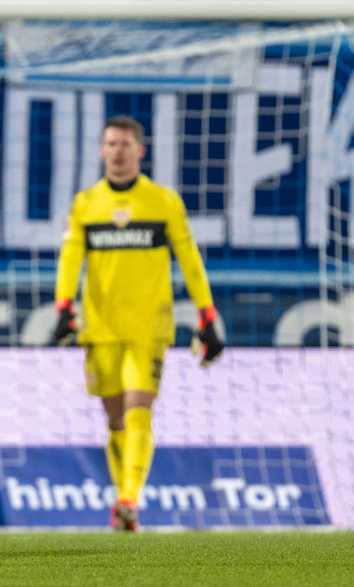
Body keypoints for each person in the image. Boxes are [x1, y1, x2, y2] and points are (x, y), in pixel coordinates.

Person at [54, 115, 223, 531]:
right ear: (101, 150)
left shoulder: (163, 202)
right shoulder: (86, 203)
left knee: (138, 413)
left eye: (126, 144)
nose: (118, 151)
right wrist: (63, 306)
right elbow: (71, 258)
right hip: (101, 327)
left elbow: (191, 261)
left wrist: (207, 314)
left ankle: (129, 498)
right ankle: (124, 500)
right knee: (114, 419)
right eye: (111, 144)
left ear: (140, 151)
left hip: (150, 327)